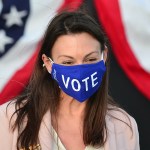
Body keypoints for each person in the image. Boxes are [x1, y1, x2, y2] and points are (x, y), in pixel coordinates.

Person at [0, 10, 140, 150]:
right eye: (68, 62)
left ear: (104, 56)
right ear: (48, 63)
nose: (80, 70)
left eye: (90, 59)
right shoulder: (9, 118)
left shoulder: (124, 126)